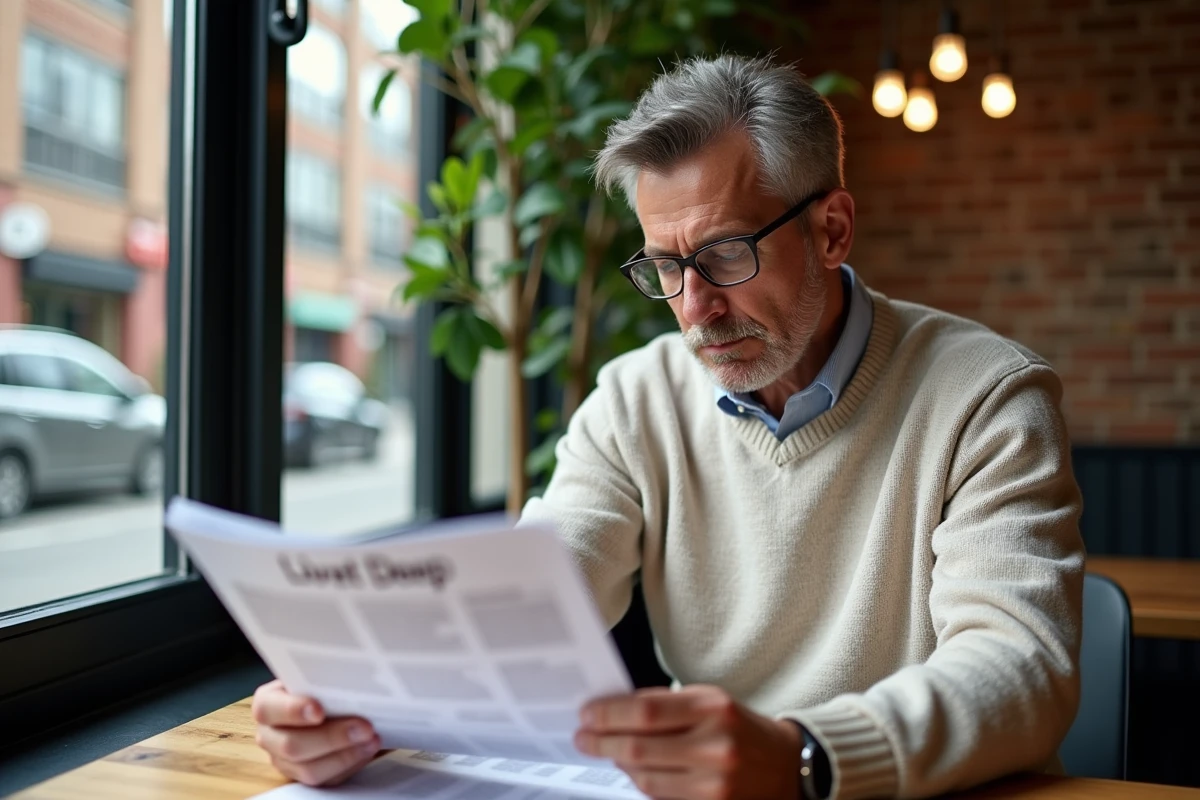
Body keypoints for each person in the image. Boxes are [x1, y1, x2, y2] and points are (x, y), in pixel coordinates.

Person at [250, 55, 1085, 800]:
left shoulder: (987, 396)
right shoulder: (633, 398)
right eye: (665, 265)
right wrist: (354, 703)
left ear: (831, 229)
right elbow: (535, 596)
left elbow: (1020, 669)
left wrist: (804, 757)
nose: (695, 309)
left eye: (725, 254)